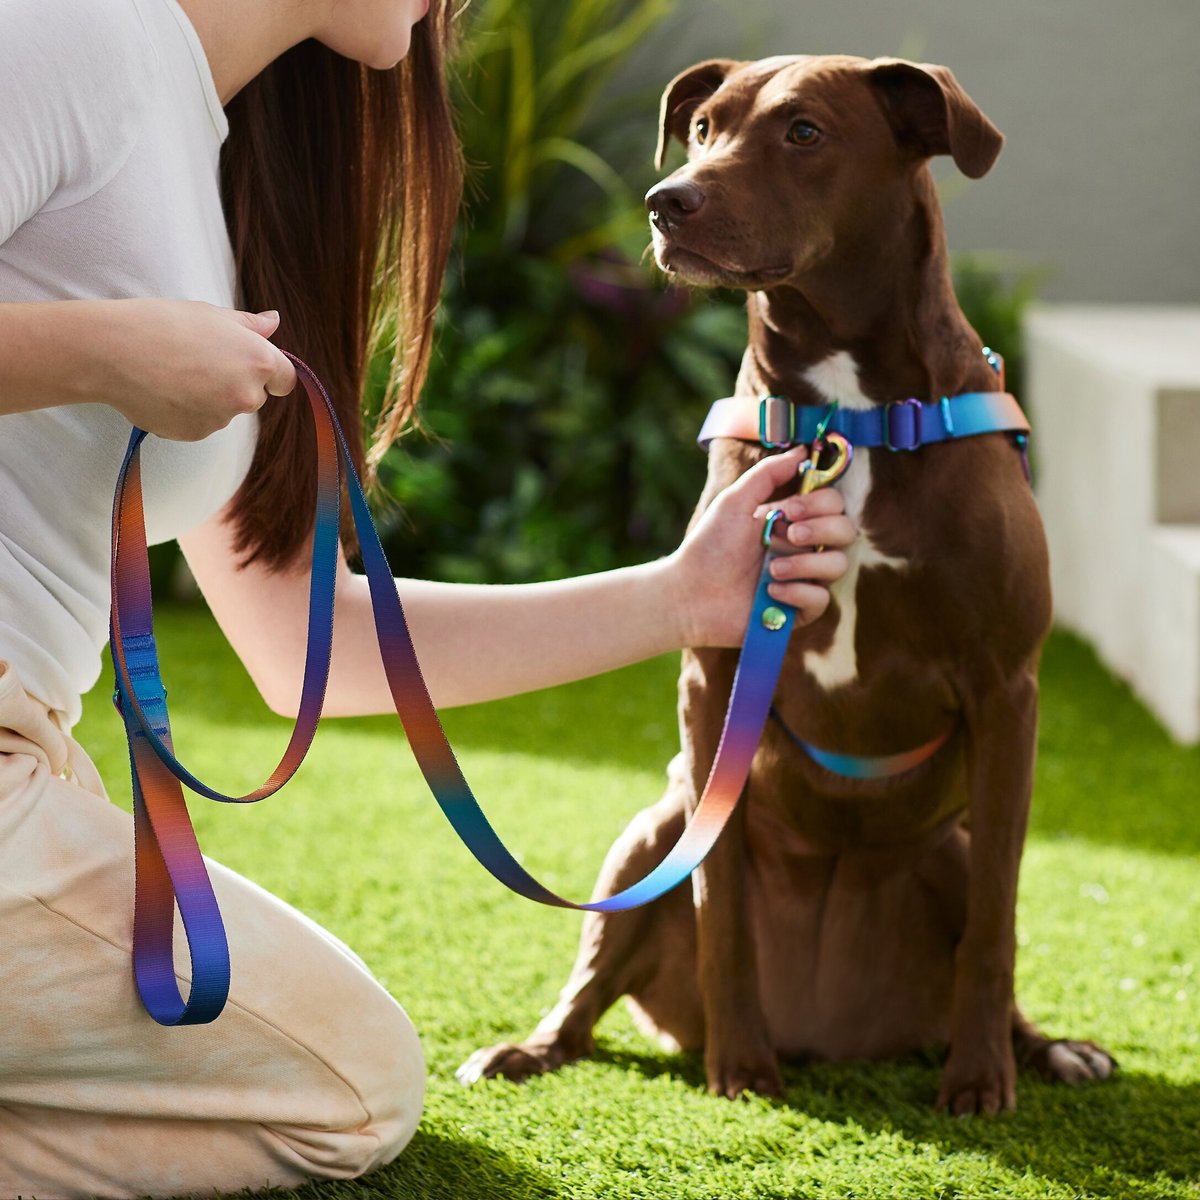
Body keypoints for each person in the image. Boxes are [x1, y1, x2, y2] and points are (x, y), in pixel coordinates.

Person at [0, 0, 855, 1195]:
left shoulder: (219, 167)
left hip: (34, 759)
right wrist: (100, 350)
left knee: (348, 1083)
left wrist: (684, 596)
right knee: (342, 1086)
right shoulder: (70, 33)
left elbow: (316, 647)